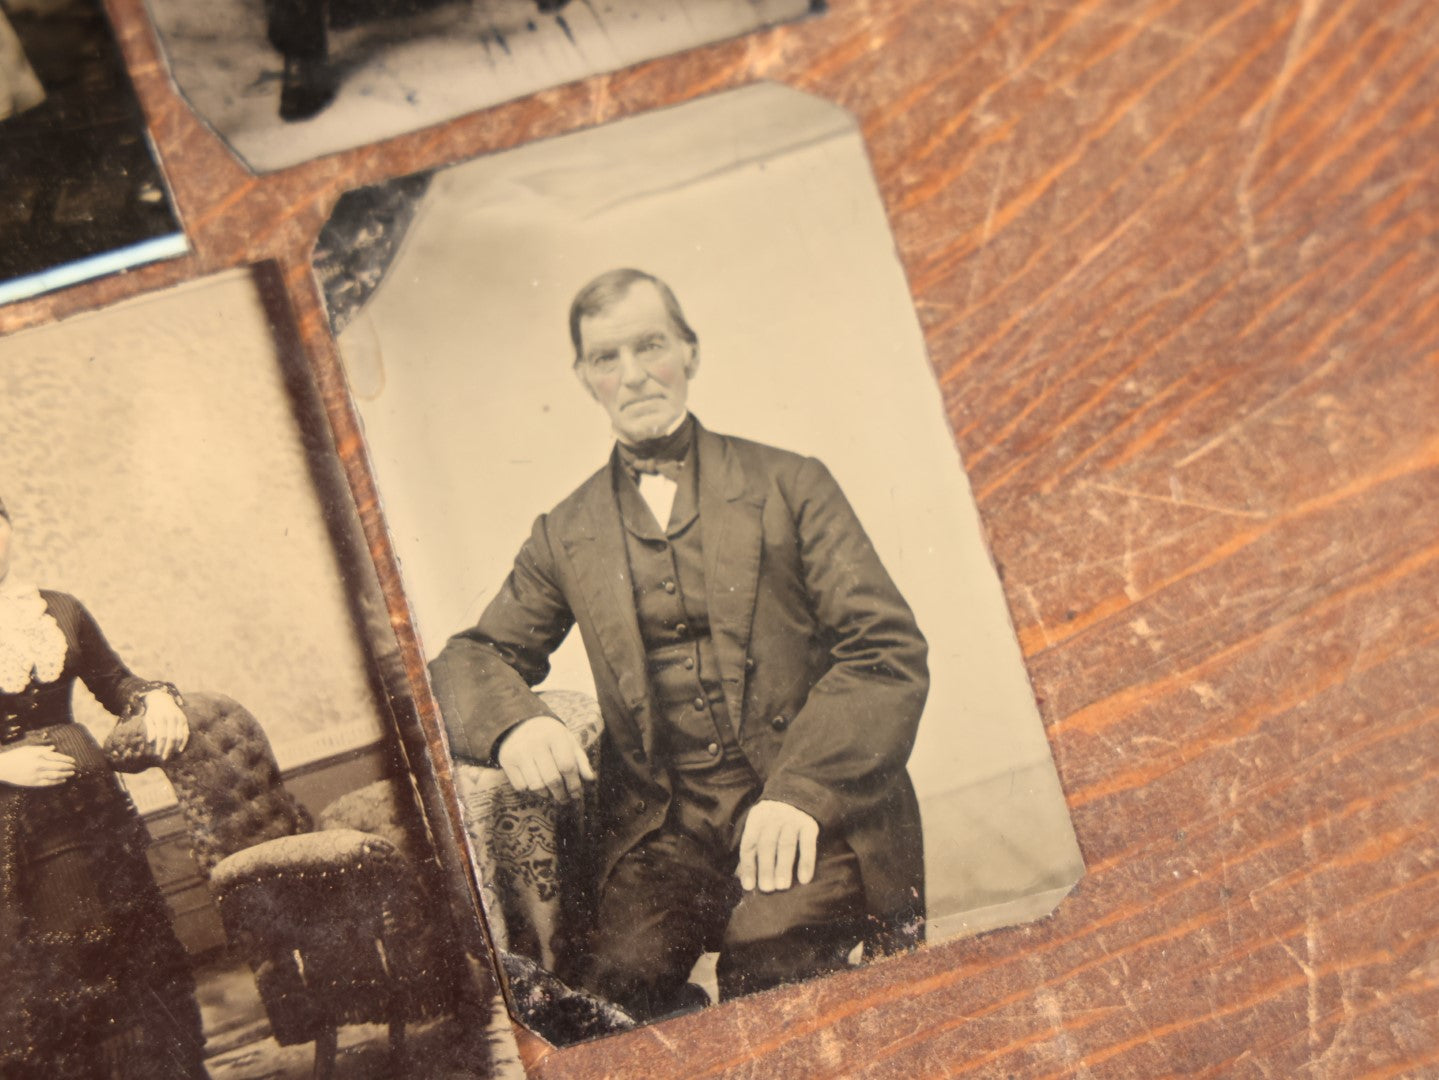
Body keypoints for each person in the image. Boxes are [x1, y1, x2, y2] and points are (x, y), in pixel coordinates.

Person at [431, 268, 928, 1022]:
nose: (632, 376)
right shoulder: (565, 532)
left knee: (769, 970)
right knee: (606, 995)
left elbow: (884, 651)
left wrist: (801, 794)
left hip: (805, 806)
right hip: (669, 830)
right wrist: (516, 723)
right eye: (606, 358)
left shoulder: (790, 484)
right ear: (583, 377)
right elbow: (466, 660)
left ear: (689, 352)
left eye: (651, 345)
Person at [0, 497, 207, 1079]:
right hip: (17, 827)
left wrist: (156, 696)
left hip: (93, 806)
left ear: (9, 527)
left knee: (138, 941)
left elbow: (115, 682)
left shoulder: (59, 608)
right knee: (70, 960)